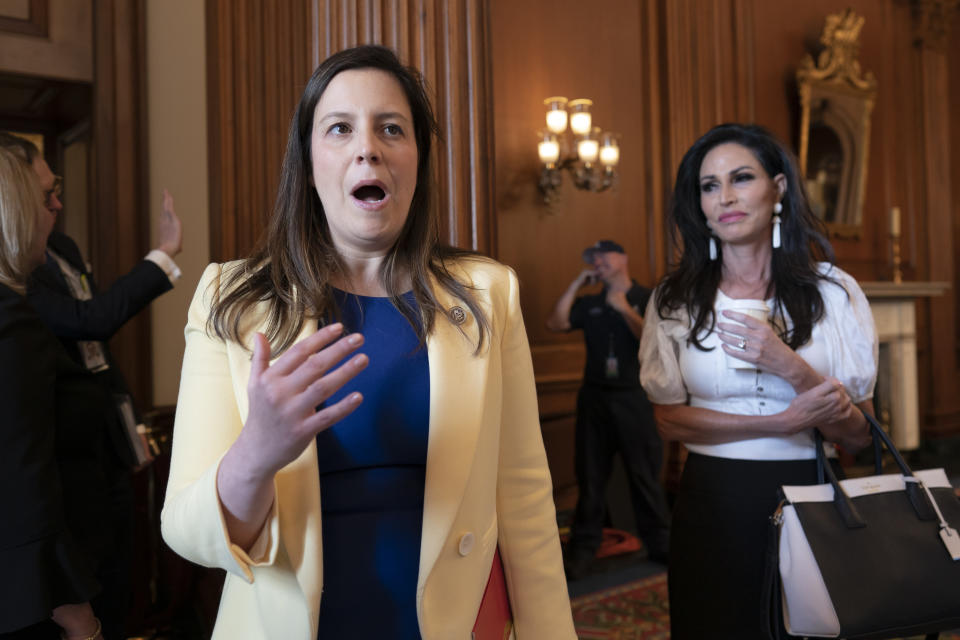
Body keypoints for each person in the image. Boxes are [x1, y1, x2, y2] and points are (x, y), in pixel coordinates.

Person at [160, 44, 575, 639]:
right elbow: (187, 532)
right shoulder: (232, 297)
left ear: (417, 159)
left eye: (391, 129)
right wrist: (259, 449)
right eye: (339, 128)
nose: (367, 147)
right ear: (308, 161)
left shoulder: (488, 293)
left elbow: (526, 500)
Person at [639, 123, 877, 639]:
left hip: (809, 493)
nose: (724, 196)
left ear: (779, 189)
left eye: (741, 178)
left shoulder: (834, 294)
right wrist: (785, 420)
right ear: (698, 203)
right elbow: (667, 419)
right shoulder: (674, 298)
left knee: (810, 629)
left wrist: (787, 363)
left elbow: (862, 436)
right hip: (714, 500)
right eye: (709, 185)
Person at [0, 131, 184, 640]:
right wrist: (164, 256)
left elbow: (94, 357)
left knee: (121, 585)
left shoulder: (61, 248)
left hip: (106, 456)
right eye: (44, 195)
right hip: (57, 522)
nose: (57, 203)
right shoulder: (15, 293)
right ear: (13, 206)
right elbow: (91, 319)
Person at [0, 147, 104, 639]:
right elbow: (23, 476)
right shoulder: (10, 320)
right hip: (34, 605)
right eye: (44, 199)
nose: (55, 209)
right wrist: (75, 611)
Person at [546, 240, 670, 579]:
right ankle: (583, 551)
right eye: (592, 258)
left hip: (634, 398)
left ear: (623, 258)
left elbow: (654, 341)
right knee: (590, 476)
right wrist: (575, 285)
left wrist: (623, 309)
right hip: (595, 399)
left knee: (644, 475)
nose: (597, 261)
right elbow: (556, 324)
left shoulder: (646, 298)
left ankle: (660, 546)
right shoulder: (590, 302)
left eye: (603, 255)